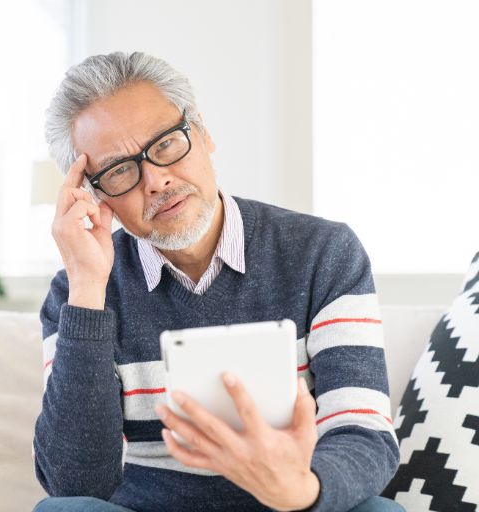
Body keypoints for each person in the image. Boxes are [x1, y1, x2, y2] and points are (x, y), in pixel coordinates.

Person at [31, 51, 403, 512]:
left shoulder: (323, 252)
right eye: (120, 170)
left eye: (165, 143)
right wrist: (89, 289)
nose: (156, 180)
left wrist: (300, 491)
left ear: (203, 133)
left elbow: (365, 434)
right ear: (94, 194)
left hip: (296, 503)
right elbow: (74, 481)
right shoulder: (77, 291)